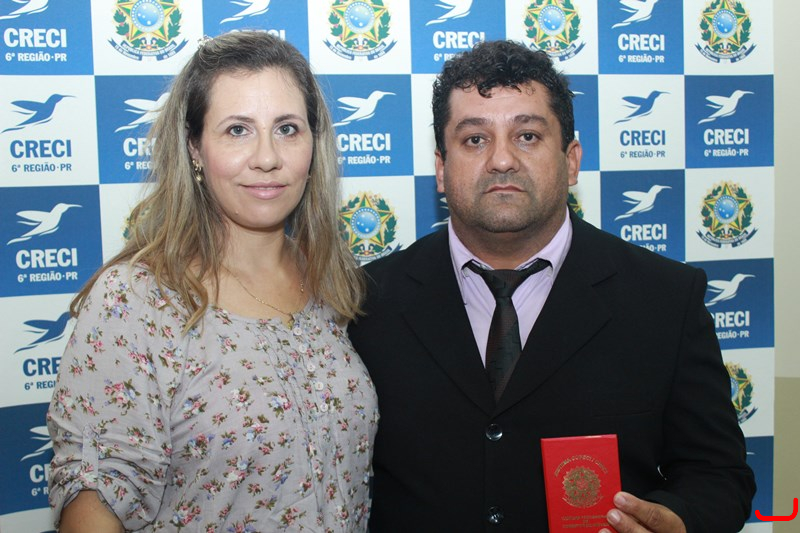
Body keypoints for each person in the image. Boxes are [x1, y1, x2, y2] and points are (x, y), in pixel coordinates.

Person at [348, 40, 754, 532]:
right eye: (474, 139)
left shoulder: (666, 298)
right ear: (441, 167)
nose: (501, 160)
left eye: (528, 136)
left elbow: (719, 475)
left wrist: (678, 521)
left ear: (571, 160)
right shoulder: (365, 301)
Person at [47, 31, 378, 532]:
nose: (267, 157)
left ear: (314, 145)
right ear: (195, 148)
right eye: (238, 130)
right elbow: (94, 501)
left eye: (287, 129)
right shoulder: (137, 300)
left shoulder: (335, 284)